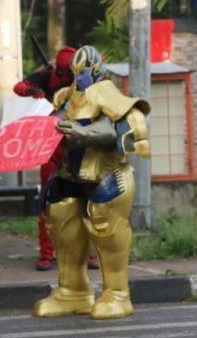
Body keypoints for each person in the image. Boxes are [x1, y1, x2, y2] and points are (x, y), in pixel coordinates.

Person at [32, 45, 150, 320]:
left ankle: (117, 294)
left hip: (106, 174)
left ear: (95, 69)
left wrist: (82, 132)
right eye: (76, 73)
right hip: (70, 172)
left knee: (107, 230)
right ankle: (72, 291)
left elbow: (116, 126)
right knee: (61, 220)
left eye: (83, 72)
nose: (80, 77)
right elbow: (57, 120)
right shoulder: (68, 95)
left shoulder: (107, 92)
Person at [14, 46, 99, 271]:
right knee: (48, 203)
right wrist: (33, 90)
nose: (73, 78)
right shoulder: (46, 76)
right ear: (60, 71)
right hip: (51, 150)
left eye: (76, 73)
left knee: (85, 202)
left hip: (78, 148)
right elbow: (18, 87)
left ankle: (88, 253)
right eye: (68, 74)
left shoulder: (87, 80)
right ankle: (46, 253)